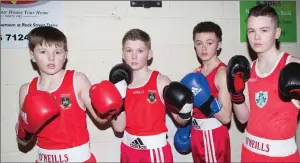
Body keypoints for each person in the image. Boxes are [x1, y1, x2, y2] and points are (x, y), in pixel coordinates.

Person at [227, 4, 300, 162]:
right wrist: (235, 94)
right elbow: (243, 118)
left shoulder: (293, 65)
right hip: (249, 153)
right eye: (251, 31)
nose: (256, 37)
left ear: (276, 33)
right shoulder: (247, 70)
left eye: (264, 30)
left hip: (281, 157)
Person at [15, 26, 123, 163]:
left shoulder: (77, 81)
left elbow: (101, 119)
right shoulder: (26, 90)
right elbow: (23, 142)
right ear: (32, 55)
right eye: (43, 51)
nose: (51, 57)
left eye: (57, 52)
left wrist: (110, 109)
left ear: (65, 55)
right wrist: (24, 132)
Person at [110, 28, 193, 162]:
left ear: (149, 54)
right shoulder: (118, 84)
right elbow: (119, 127)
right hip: (128, 150)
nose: (134, 56)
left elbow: (181, 120)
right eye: (129, 50)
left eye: (140, 51)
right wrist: (118, 94)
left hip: (155, 153)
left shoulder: (160, 82)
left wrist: (186, 108)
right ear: (123, 54)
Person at [180, 21, 232, 163]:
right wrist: (187, 128)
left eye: (209, 43)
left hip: (213, 135)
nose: (203, 48)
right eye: (199, 43)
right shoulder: (196, 73)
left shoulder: (222, 73)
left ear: (219, 45)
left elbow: (227, 118)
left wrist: (205, 99)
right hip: (198, 134)